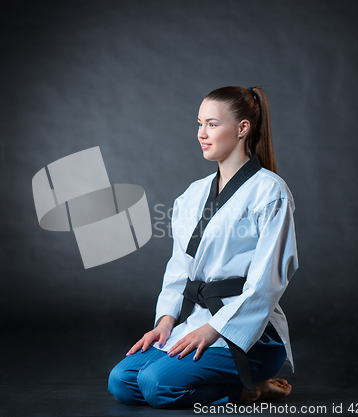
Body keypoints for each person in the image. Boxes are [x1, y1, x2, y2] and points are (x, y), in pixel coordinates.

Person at [108, 86, 299, 408]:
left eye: (212, 124)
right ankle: (241, 385)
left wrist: (215, 329)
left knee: (157, 386)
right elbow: (179, 265)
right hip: (199, 318)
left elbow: (269, 281)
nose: (201, 133)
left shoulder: (270, 192)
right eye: (199, 124)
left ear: (242, 128)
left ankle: (252, 390)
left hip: (250, 331)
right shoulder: (194, 194)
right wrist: (166, 320)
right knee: (123, 382)